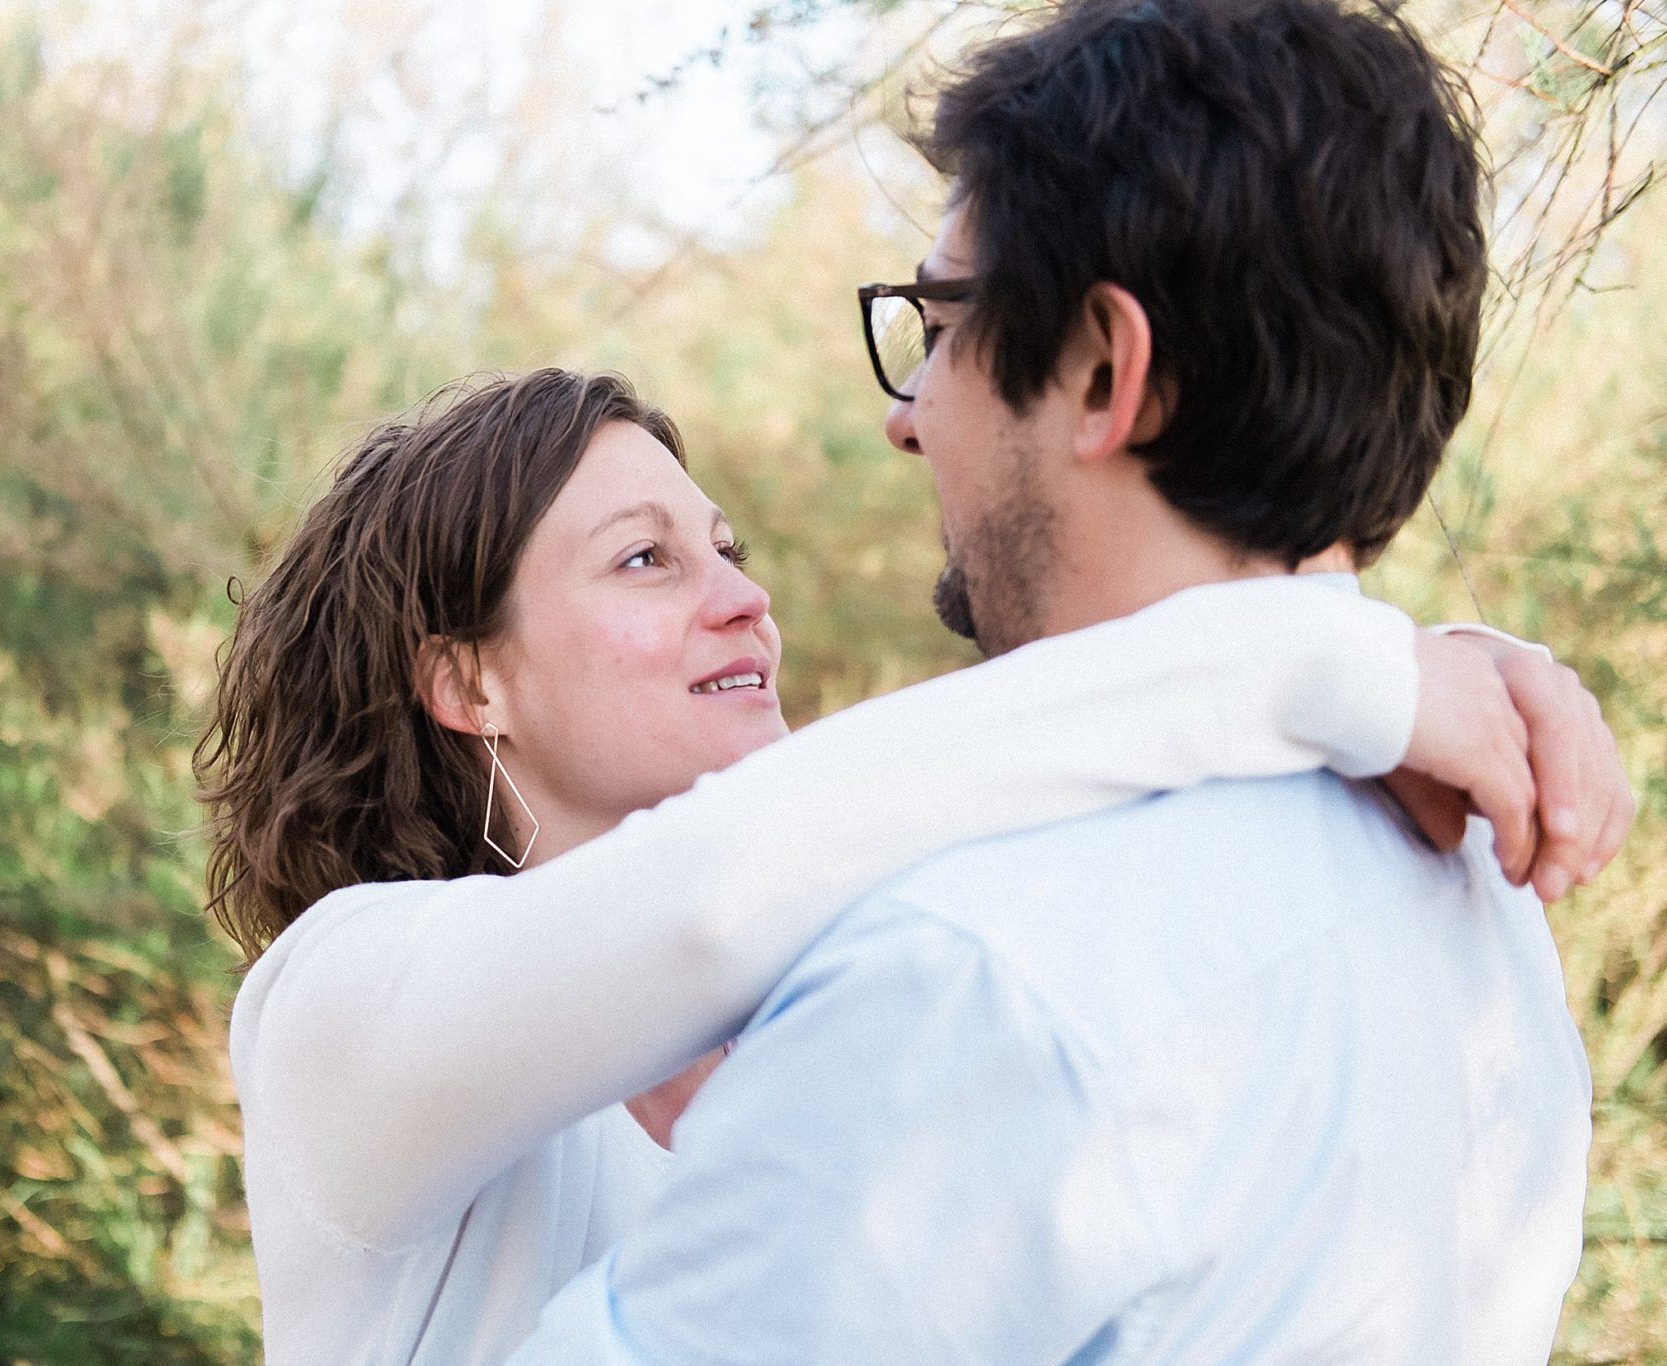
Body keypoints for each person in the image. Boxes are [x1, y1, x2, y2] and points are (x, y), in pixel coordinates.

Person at [507, 3, 1626, 1363]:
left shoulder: (970, 983)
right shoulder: (1482, 907)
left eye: (940, 321)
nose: (906, 415)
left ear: (1105, 370)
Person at [199, 367, 1626, 1363]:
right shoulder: (339, 1007)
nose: (745, 599)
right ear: (467, 682)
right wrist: (1331, 659)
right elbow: (718, 886)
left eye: (729, 546)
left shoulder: (841, 1003)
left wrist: (1467, 669)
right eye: (645, 560)